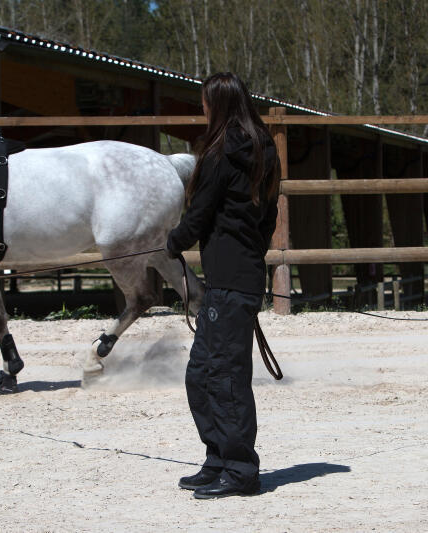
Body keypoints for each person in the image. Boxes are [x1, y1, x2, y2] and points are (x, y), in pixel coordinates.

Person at [166, 72, 280, 499]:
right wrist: (251, 254)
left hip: (228, 284)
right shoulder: (266, 149)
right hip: (239, 277)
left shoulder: (219, 154)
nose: (203, 110)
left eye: (205, 103)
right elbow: (268, 218)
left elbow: (200, 215)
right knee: (202, 374)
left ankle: (240, 469)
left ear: (217, 104)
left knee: (225, 377)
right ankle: (218, 456)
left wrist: (172, 243)